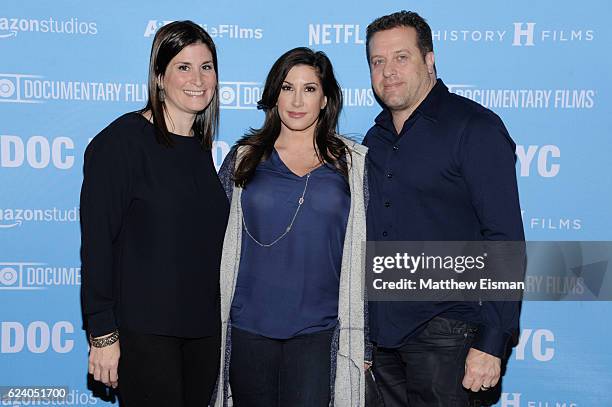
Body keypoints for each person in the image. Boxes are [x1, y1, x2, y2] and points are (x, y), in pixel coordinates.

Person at [363, 11, 525, 406]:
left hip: (450, 334)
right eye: (377, 61)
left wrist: (491, 342)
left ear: (429, 60)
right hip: (382, 341)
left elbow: (504, 240)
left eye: (401, 57)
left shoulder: (474, 128)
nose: (388, 71)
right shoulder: (375, 138)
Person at [80, 20, 228, 407]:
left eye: (206, 67)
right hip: (145, 334)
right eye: (184, 67)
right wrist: (103, 336)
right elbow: (98, 244)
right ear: (160, 77)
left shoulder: (199, 149)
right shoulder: (121, 143)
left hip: (203, 334)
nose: (197, 79)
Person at [213, 47, 369, 407]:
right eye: (287, 87)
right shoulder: (244, 158)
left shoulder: (354, 164)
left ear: (326, 98)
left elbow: (369, 248)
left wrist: (367, 338)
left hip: (319, 332)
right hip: (248, 329)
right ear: (274, 94)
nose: (297, 100)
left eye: (310, 89)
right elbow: (212, 244)